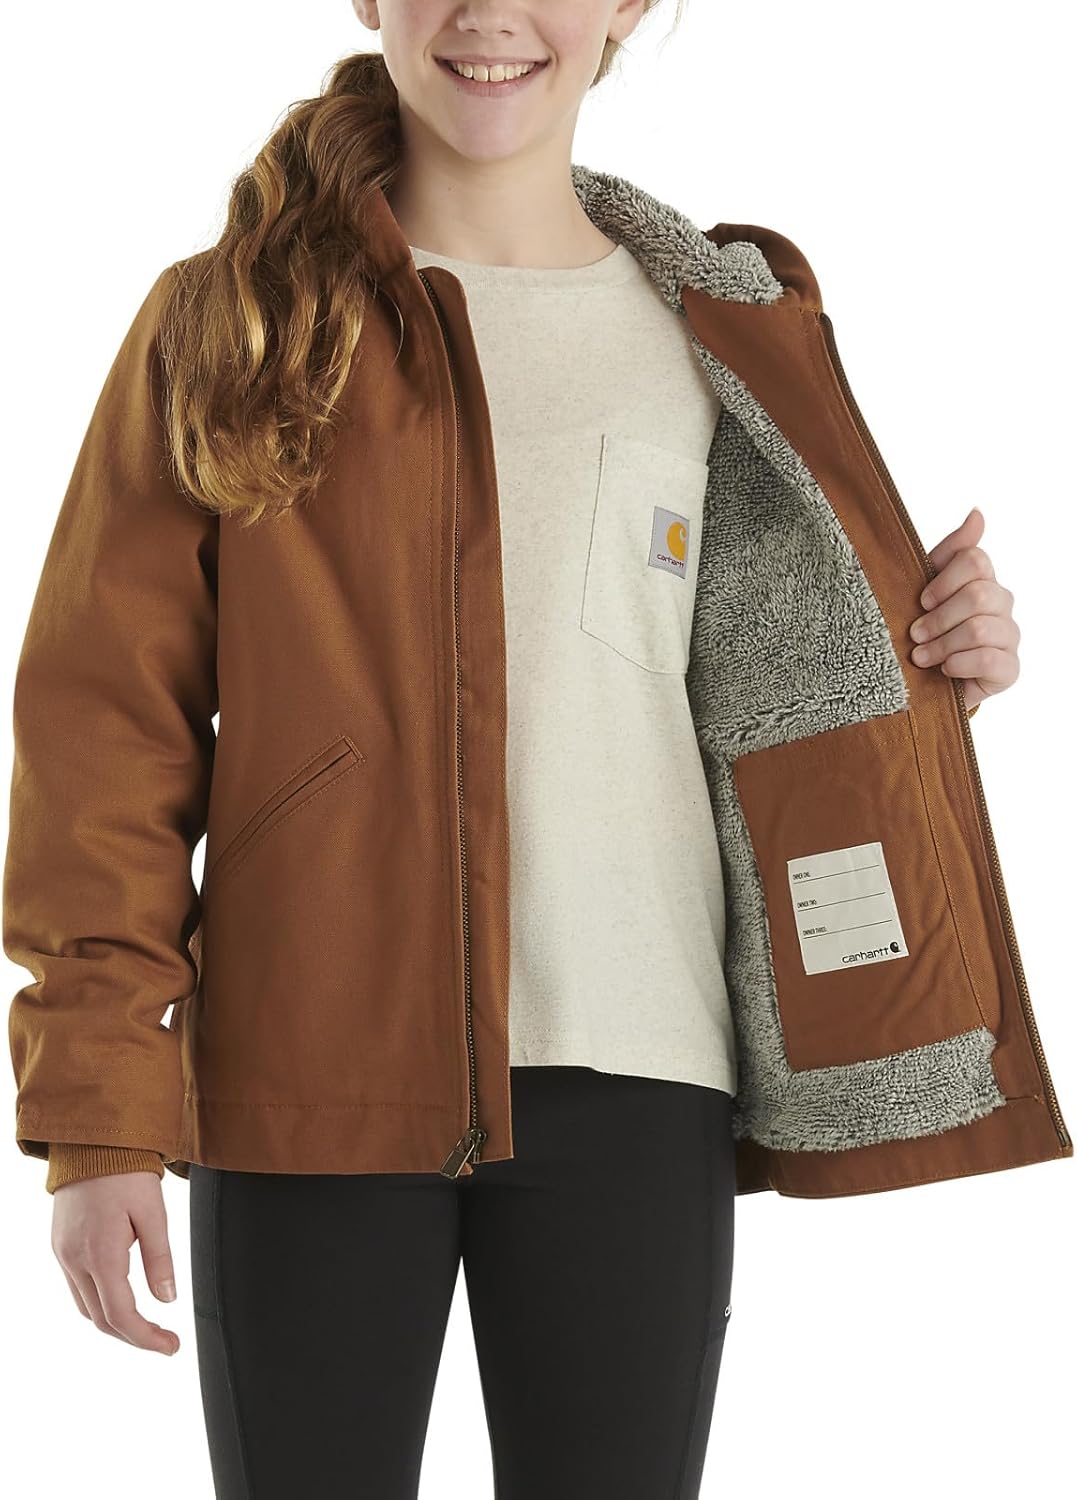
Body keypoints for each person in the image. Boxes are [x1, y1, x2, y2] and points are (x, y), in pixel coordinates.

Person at [6, 3, 1062, 1498]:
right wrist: (99, 1114)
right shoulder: (231, 323)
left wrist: (937, 657)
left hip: (643, 1077)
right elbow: (102, 730)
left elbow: (779, 681)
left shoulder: (721, 328)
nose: (491, 13)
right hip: (309, 1071)